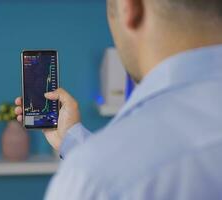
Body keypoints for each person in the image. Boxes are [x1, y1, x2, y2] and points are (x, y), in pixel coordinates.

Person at [15, 0, 222, 199]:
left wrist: (89, 160)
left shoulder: (94, 179)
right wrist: (69, 138)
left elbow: (113, 171)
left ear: (129, 7)